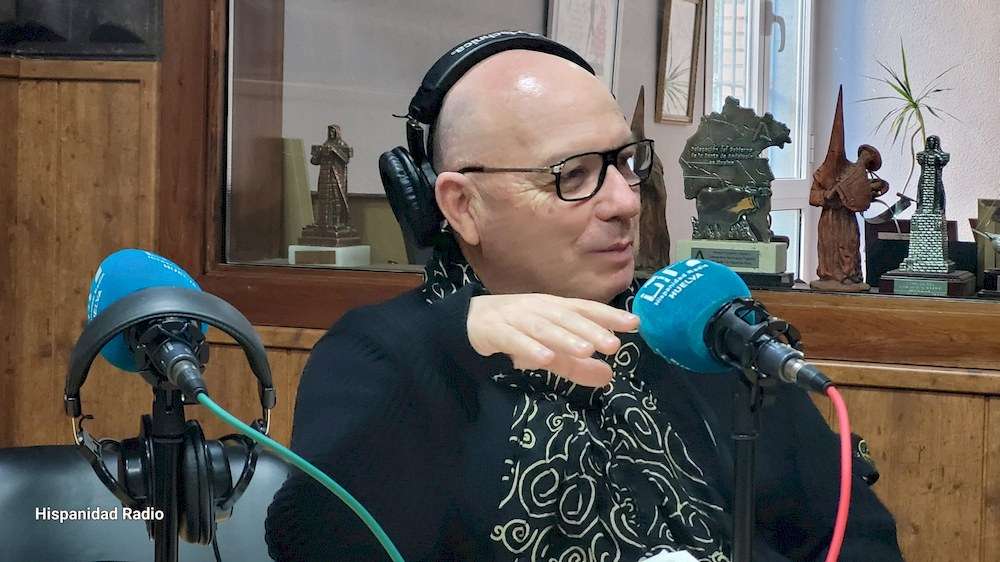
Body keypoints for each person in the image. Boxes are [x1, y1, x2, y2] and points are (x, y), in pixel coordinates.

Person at [265, 32, 903, 561]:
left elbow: (857, 537)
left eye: (626, 162)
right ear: (462, 205)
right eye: (572, 175)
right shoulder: (387, 355)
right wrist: (450, 340)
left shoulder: (699, 328)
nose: (625, 201)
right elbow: (315, 541)